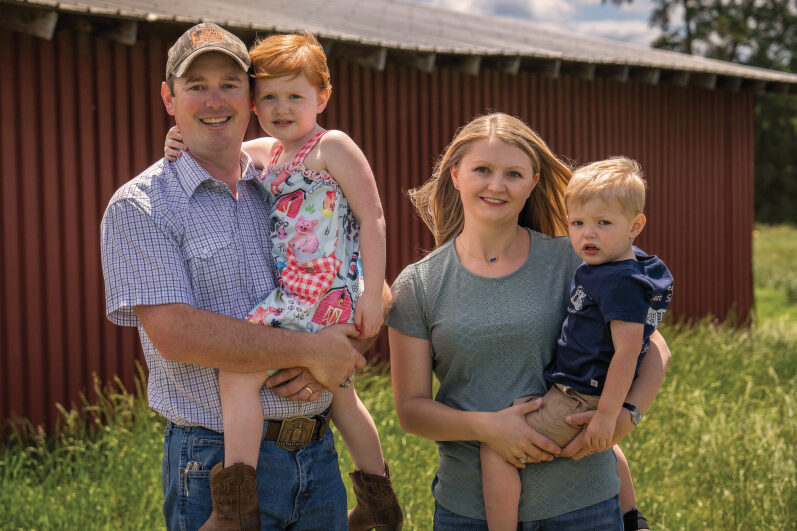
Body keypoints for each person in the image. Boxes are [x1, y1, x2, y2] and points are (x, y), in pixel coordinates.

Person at [101, 23, 375, 530]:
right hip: (213, 457)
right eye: (195, 85)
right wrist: (308, 351)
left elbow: (360, 276)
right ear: (169, 98)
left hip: (316, 452)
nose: (213, 100)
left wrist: (345, 334)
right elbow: (175, 334)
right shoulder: (143, 205)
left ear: (251, 98)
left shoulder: (282, 177)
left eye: (229, 83)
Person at [164, 30, 401, 531]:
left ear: (323, 97)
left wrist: (373, 295)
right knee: (341, 397)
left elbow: (374, 215)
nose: (282, 106)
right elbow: (215, 144)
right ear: (253, 103)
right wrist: (177, 140)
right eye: (268, 96)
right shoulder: (269, 152)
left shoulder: (330, 146)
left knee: (237, 375)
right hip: (300, 292)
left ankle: (235, 505)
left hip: (315, 294)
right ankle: (379, 498)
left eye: (295, 95)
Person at [387, 113, 672, 529]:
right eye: (482, 169)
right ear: (455, 175)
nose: (496, 185)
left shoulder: (578, 260)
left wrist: (625, 417)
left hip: (584, 504)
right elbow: (412, 413)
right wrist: (490, 429)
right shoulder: (420, 285)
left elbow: (653, 349)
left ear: (533, 183)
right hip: (469, 510)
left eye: (513, 174)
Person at [480, 156, 673, 530]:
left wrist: (606, 415)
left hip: (584, 393)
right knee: (603, 448)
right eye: (578, 223)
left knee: (495, 451)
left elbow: (629, 350)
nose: (588, 235)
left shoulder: (618, 281)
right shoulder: (637, 267)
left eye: (603, 223)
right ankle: (633, 518)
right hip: (585, 390)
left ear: (635, 226)